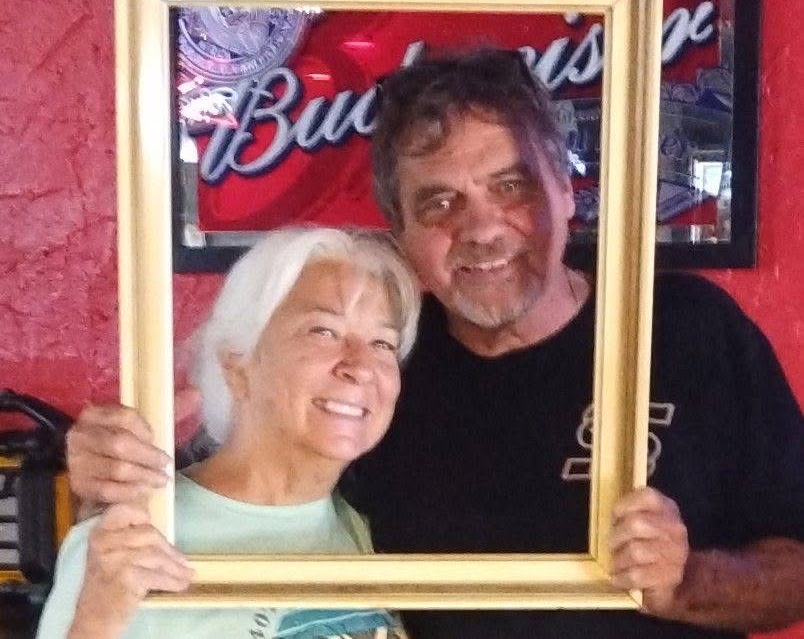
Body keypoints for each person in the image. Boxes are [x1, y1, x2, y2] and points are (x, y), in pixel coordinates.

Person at [66, 50, 803, 638]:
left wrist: (689, 583)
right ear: (402, 233)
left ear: (565, 188)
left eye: (510, 186)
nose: (481, 229)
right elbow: (221, 486)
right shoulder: (375, 376)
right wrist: (114, 470)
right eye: (440, 202)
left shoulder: (687, 328)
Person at [38, 227, 420, 639]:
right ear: (236, 366)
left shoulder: (357, 525)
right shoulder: (131, 538)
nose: (360, 366)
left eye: (383, 343)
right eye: (323, 331)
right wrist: (96, 620)